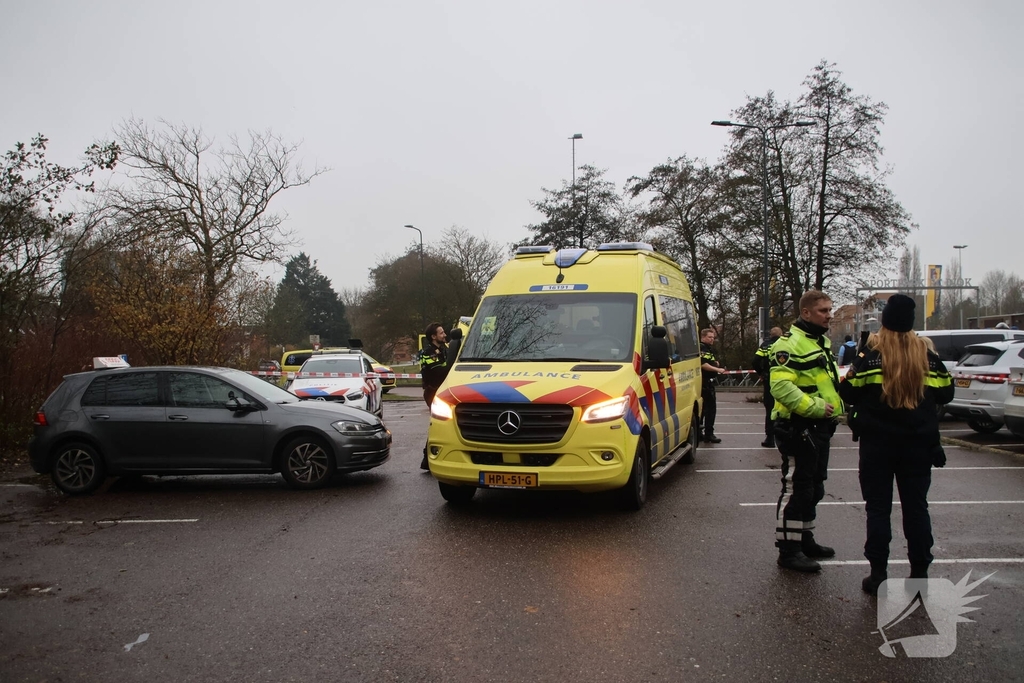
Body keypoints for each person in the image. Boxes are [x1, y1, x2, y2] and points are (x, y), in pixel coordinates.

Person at [839, 294, 953, 594]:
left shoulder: (871, 356)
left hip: (877, 446)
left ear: (885, 322)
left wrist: (861, 359)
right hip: (918, 446)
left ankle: (878, 575)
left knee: (878, 509)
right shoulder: (928, 358)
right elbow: (946, 393)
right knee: (917, 509)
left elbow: (848, 392)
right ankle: (919, 575)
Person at [770, 291, 843, 572]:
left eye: (830, 309)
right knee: (797, 489)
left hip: (820, 427)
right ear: (806, 313)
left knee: (815, 487)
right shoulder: (789, 345)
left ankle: (804, 539)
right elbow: (781, 387)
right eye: (824, 310)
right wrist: (813, 407)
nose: (829, 315)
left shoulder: (818, 341)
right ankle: (788, 551)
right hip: (798, 427)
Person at [419, 322, 449, 470]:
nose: (444, 335)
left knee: (440, 424)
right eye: (441, 333)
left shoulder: (443, 350)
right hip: (432, 392)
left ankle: (428, 459)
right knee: (438, 424)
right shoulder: (428, 352)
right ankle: (428, 458)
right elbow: (439, 372)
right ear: (433, 336)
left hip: (441, 391)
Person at [752, 326, 784, 448]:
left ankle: (769, 438)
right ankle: (783, 436)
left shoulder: (765, 345)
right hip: (784, 379)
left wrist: (761, 373)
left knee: (770, 408)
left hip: (770, 379)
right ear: (781, 334)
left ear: (770, 335)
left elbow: (755, 361)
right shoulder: (786, 343)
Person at [699, 328, 727, 443]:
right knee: (709, 410)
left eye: (713, 337)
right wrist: (717, 369)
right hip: (704, 382)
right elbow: (703, 364)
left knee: (706, 409)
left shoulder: (708, 349)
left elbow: (709, 361)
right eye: (710, 337)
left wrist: (715, 363)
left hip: (708, 382)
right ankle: (708, 434)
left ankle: (702, 433)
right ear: (703, 337)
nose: (712, 339)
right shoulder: (702, 347)